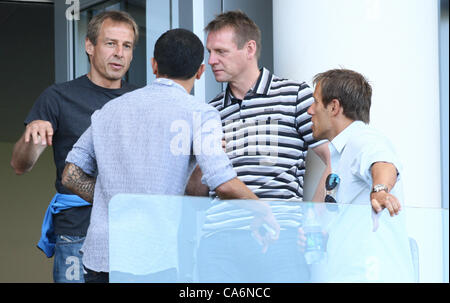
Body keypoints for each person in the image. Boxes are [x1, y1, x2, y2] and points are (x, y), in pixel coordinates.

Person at [61, 28, 279, 283]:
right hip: (155, 259)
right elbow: (222, 182)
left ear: (154, 66)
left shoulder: (109, 110)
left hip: (103, 257)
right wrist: (263, 209)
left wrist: (112, 196)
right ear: (200, 71)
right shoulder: (199, 113)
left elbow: (70, 175)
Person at [187, 10, 331, 283]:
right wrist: (203, 162)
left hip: (280, 237)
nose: (211, 60)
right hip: (219, 242)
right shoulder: (210, 111)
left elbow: (334, 160)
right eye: (210, 51)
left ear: (249, 49)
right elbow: (194, 197)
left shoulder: (295, 95)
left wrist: (312, 221)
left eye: (221, 51)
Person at [10, 10, 140, 283]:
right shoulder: (57, 96)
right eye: (110, 43)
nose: (119, 53)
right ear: (89, 46)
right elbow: (20, 165)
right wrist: (32, 139)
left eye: (126, 46)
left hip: (132, 231)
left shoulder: (141, 99)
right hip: (77, 231)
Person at [307, 68, 402, 215]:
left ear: (334, 107)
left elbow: (383, 163)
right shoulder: (344, 147)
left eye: (315, 102)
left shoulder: (363, 139)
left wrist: (380, 190)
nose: (310, 110)